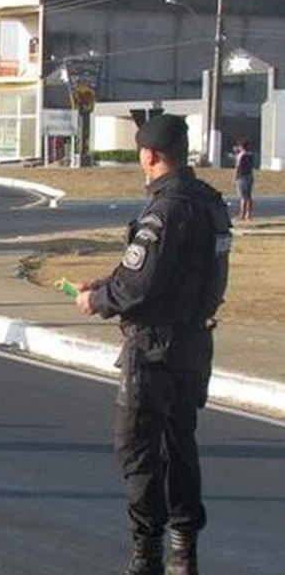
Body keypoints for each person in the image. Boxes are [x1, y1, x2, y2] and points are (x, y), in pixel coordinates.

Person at [72, 114, 231, 575]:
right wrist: (104, 282)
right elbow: (166, 275)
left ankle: (147, 554)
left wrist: (96, 299)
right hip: (194, 343)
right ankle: (186, 552)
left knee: (139, 449)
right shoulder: (210, 204)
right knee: (182, 444)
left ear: (151, 155)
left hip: (153, 348)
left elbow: (139, 287)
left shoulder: (164, 210)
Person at [233, 138, 255, 221]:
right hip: (250, 176)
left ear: (241, 146)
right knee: (249, 197)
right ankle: (248, 214)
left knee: (243, 197)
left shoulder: (241, 155)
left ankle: (242, 214)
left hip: (242, 177)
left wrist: (235, 177)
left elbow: (238, 167)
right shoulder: (251, 155)